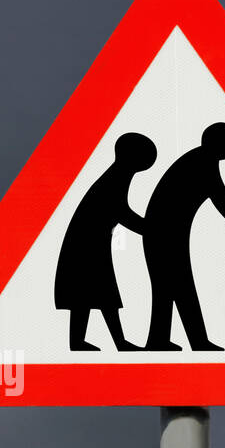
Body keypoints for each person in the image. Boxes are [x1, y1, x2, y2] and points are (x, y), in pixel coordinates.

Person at [141, 122, 225, 351]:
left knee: (172, 288)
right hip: (164, 235)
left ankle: (165, 340)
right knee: (177, 287)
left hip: (164, 234)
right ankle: (187, 341)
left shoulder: (197, 160)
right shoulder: (203, 164)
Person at [53, 132, 157, 351]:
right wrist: (149, 229)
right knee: (97, 293)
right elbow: (120, 211)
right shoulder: (117, 176)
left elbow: (119, 210)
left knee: (93, 293)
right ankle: (109, 343)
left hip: (91, 241)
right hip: (88, 244)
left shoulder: (118, 174)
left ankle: (98, 342)